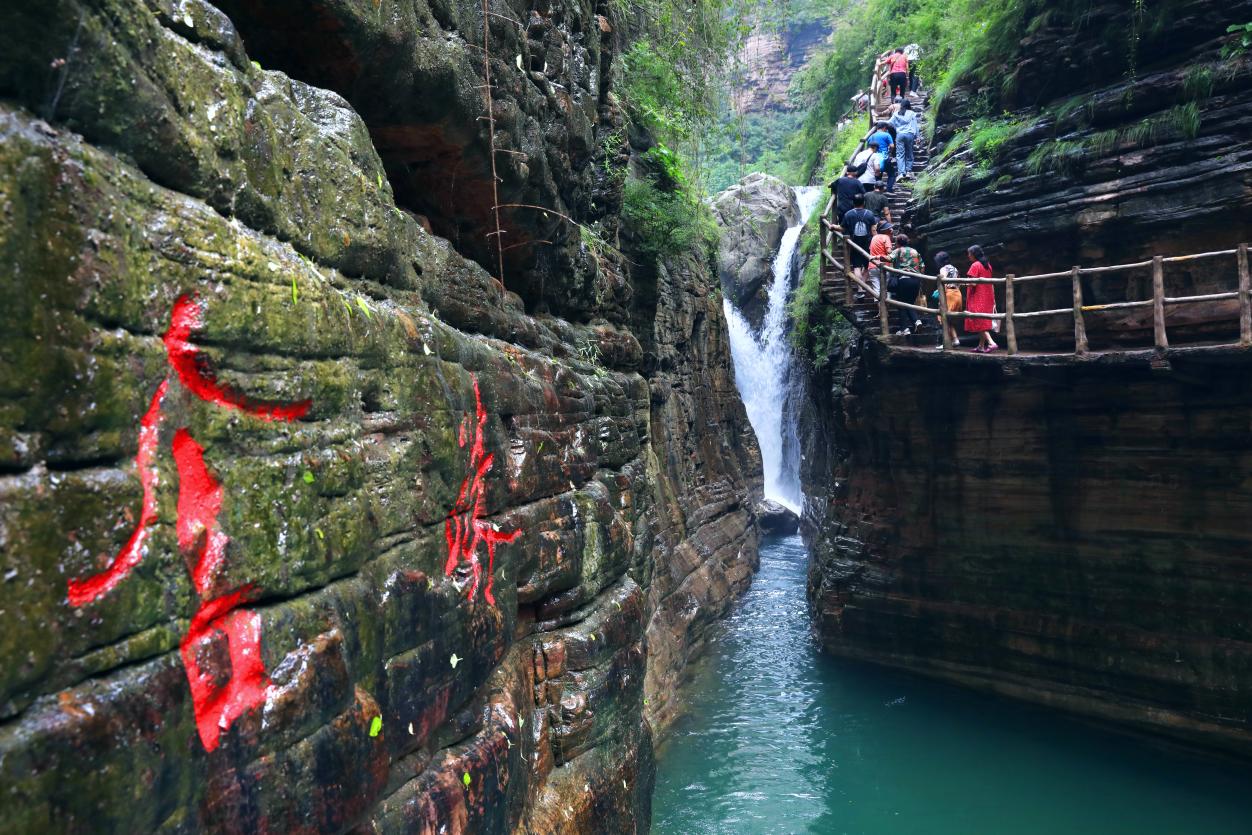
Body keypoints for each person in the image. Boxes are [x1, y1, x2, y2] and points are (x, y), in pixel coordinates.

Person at [964, 244, 999, 352]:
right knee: (982, 320)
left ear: (974, 254)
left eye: (969, 254)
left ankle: (991, 343)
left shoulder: (975, 265)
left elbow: (973, 283)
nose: (968, 256)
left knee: (978, 320)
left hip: (978, 296)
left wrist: (963, 283)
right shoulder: (987, 265)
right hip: (988, 296)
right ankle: (980, 346)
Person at [888, 233, 924, 335]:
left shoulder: (898, 250)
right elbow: (922, 266)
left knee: (902, 304)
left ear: (898, 243)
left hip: (904, 280)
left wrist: (878, 257)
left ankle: (905, 329)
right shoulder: (915, 251)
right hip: (916, 280)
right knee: (909, 303)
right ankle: (915, 322)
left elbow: (888, 258)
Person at [843, 193, 877, 291]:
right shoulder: (869, 214)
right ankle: (862, 286)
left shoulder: (848, 214)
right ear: (864, 202)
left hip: (854, 244)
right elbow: (873, 230)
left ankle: (860, 288)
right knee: (867, 267)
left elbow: (842, 228)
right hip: (868, 244)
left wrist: (833, 227)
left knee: (857, 267)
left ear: (853, 202)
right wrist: (877, 241)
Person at [931, 251, 963, 348]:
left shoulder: (943, 269)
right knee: (949, 320)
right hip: (957, 293)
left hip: (948, 294)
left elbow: (943, 281)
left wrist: (940, 294)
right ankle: (955, 340)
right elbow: (959, 282)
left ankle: (946, 342)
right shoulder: (955, 268)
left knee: (944, 317)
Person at [890, 99, 919, 179]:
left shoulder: (896, 114)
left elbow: (889, 123)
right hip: (910, 135)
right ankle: (909, 171)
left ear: (901, 105)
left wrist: (879, 122)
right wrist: (918, 136)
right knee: (909, 153)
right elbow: (916, 126)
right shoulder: (912, 113)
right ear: (909, 105)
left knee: (900, 154)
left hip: (900, 135)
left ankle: (901, 173)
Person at [868, 220, 894, 297]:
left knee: (876, 290)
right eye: (889, 228)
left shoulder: (874, 237)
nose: (891, 229)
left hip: (872, 266)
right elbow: (889, 252)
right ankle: (884, 308)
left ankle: (880, 308)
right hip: (884, 266)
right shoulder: (886, 237)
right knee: (885, 289)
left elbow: (871, 249)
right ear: (885, 230)